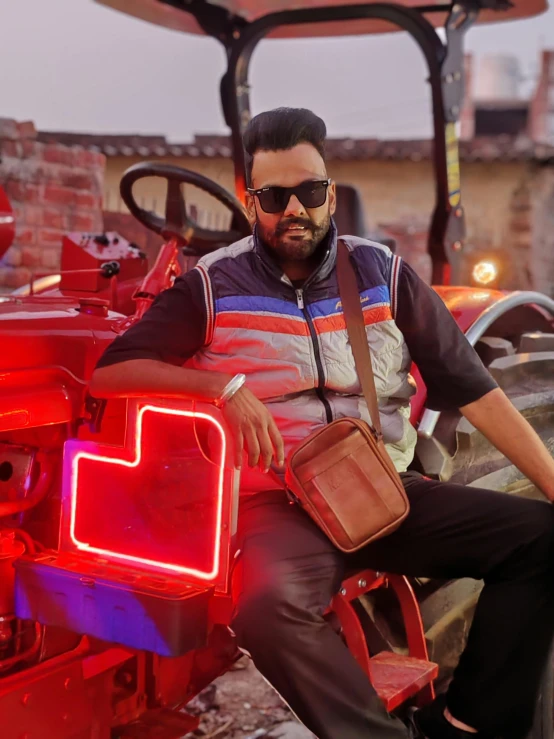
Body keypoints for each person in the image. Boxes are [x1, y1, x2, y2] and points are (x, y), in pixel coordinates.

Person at [90, 107, 554, 739]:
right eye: (275, 196)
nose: (295, 210)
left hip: (381, 488)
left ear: (329, 192)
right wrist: (221, 386)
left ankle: (467, 725)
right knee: (264, 609)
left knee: (542, 535)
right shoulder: (212, 284)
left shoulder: (383, 274)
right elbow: (112, 371)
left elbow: (475, 391)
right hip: (280, 502)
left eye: (309, 192)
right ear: (252, 201)